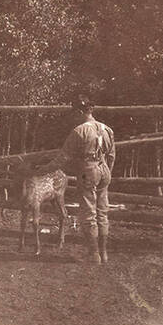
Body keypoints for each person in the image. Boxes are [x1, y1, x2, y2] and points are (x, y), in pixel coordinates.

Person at [39, 94, 115, 264]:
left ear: (81, 111)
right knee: (102, 212)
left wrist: (44, 169)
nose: (73, 116)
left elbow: (62, 159)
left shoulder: (79, 131)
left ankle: (93, 254)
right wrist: (106, 173)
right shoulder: (107, 129)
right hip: (104, 170)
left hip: (89, 170)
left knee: (89, 213)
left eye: (75, 113)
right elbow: (111, 156)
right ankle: (104, 253)